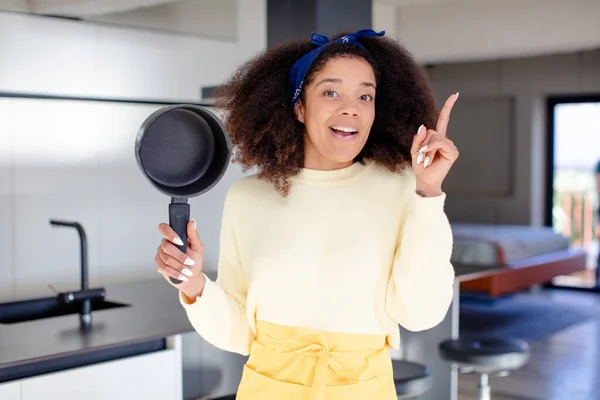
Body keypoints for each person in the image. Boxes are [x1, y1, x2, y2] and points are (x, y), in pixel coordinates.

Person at [154, 29, 459, 399]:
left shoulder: (402, 188)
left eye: (366, 95)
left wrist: (428, 192)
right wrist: (192, 283)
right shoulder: (248, 197)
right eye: (331, 92)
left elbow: (421, 314)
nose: (351, 108)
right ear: (299, 107)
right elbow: (238, 333)